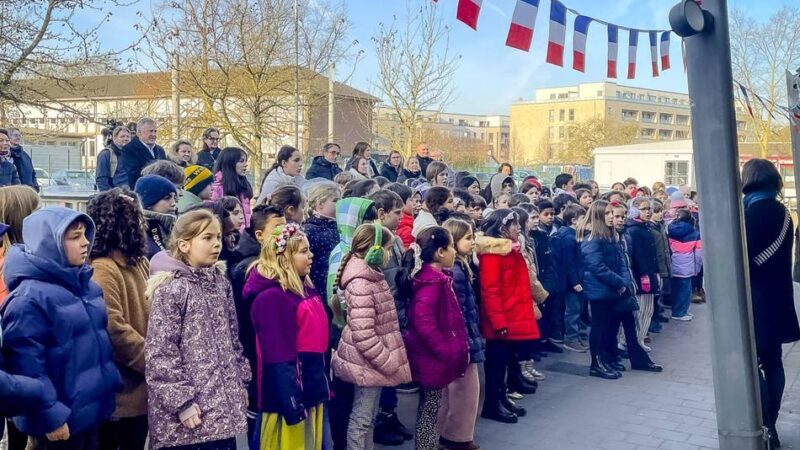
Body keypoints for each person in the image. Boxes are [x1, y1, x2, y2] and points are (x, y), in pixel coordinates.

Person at [2, 207, 122, 448]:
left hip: (92, 413)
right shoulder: (29, 299)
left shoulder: (86, 286)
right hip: (60, 424)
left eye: (85, 234)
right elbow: (27, 366)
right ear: (50, 243)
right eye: (75, 237)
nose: (85, 242)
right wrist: (50, 418)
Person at [145, 210, 249, 450]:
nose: (216, 244)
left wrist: (240, 383)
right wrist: (182, 403)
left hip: (222, 410)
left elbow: (233, 341)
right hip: (189, 418)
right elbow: (160, 354)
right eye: (207, 238)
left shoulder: (220, 284)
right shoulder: (172, 289)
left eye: (218, 237)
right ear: (184, 245)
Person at [243, 223, 331, 450]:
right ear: (284, 258)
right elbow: (278, 358)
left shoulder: (303, 289)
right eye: (303, 251)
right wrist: (292, 404)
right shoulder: (273, 298)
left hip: (309, 393)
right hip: (290, 402)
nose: (311, 256)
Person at [331, 223, 411, 450]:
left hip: (371, 362)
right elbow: (364, 334)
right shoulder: (362, 283)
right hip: (368, 362)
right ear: (374, 249)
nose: (389, 254)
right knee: (362, 420)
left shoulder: (370, 275)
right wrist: (388, 360)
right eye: (388, 248)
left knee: (368, 418)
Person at [741, 159, 800, 448]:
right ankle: (771, 423)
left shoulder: (749, 212)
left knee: (749, 361)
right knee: (774, 362)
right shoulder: (783, 212)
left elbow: (744, 261)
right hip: (779, 298)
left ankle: (764, 423)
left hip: (754, 299)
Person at [87, 188, 151, 450]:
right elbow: (113, 328)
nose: (142, 223)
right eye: (136, 217)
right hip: (121, 397)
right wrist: (153, 361)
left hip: (141, 393)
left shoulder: (138, 261)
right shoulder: (102, 267)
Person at [399, 226, 469, 450]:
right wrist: (445, 350)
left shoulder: (437, 279)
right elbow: (424, 322)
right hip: (432, 356)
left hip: (431, 355)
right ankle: (425, 446)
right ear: (440, 252)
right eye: (451, 247)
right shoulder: (432, 283)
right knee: (430, 408)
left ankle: (427, 445)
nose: (454, 252)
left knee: (432, 405)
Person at [477, 210, 540, 424]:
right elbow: (490, 291)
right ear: (502, 228)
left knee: (505, 362)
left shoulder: (510, 249)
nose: (519, 228)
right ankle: (492, 404)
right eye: (515, 224)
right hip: (501, 319)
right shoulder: (493, 254)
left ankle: (501, 398)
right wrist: (498, 322)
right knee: (496, 365)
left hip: (512, 315)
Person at [228, 205, 285, 438]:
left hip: (274, 350)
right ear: (260, 235)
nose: (285, 233)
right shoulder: (249, 268)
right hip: (255, 349)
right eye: (278, 228)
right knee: (259, 408)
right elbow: (245, 319)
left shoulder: (279, 259)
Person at [440, 218, 484, 450]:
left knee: (458, 391)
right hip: (460, 339)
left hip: (463, 337)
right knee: (465, 391)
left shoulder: (460, 267)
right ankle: (457, 437)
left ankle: (453, 435)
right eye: (468, 238)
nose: (473, 241)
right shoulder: (455, 271)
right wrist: (465, 341)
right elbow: (458, 312)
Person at [623, 197, 660, 351]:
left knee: (647, 310)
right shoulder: (632, 230)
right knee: (639, 311)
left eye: (649, 208)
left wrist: (656, 272)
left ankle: (640, 338)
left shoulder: (646, 228)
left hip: (649, 274)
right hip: (640, 277)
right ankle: (630, 341)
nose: (648, 212)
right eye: (644, 209)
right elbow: (632, 257)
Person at [554, 204, 588, 352]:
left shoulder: (573, 235)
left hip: (577, 279)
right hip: (572, 282)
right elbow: (569, 263)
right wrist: (575, 282)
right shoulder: (569, 238)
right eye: (583, 218)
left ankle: (576, 336)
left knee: (577, 309)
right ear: (574, 220)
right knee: (573, 310)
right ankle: (571, 338)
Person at [304, 181, 342, 307]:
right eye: (335, 200)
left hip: (337, 287)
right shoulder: (309, 230)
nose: (339, 204)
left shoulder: (338, 226)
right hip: (319, 287)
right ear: (320, 203)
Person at [667, 209, 702, 321]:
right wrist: (697, 268)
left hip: (672, 264)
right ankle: (681, 312)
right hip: (687, 267)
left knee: (676, 290)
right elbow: (698, 254)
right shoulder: (695, 233)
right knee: (685, 291)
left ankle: (676, 311)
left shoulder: (669, 229)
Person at [134, 174, 178, 259]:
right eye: (167, 198)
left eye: (175, 198)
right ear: (149, 203)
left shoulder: (173, 223)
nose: (173, 203)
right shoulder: (138, 231)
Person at [212, 147, 253, 231]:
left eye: (246, 161)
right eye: (241, 161)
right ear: (230, 163)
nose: (246, 164)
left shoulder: (243, 185)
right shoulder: (218, 188)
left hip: (244, 233)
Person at [122, 118, 167, 187]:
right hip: (140, 190)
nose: (153, 134)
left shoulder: (160, 150)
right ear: (139, 132)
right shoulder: (129, 149)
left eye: (155, 131)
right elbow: (134, 175)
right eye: (150, 131)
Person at [96, 126, 132, 191]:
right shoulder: (106, 154)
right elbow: (102, 180)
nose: (126, 139)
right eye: (122, 136)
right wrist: (111, 195)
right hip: (116, 195)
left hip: (132, 194)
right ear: (114, 138)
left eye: (128, 137)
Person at [385, 183, 419, 249]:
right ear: (401, 204)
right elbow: (408, 252)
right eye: (411, 200)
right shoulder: (406, 230)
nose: (413, 204)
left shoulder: (406, 224)